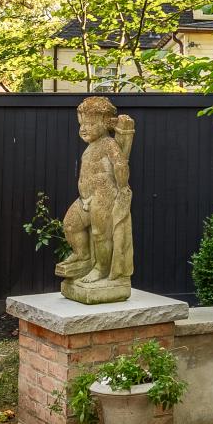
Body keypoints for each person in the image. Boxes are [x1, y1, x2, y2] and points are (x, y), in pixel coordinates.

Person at [57, 95, 134, 295]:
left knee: (101, 235)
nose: (84, 128)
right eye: (82, 124)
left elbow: (120, 163)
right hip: (85, 198)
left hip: (104, 195)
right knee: (70, 225)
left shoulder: (108, 143)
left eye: (90, 124)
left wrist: (123, 187)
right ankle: (82, 255)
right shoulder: (91, 146)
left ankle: (101, 269)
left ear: (106, 123)